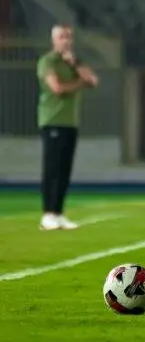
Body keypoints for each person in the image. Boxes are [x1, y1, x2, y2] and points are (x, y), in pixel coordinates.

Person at [36, 25, 99, 231]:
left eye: (69, 37)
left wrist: (76, 64)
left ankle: (58, 213)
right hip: (52, 120)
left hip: (70, 122)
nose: (66, 41)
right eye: (62, 37)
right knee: (52, 169)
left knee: (64, 170)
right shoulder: (48, 62)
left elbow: (93, 81)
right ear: (54, 40)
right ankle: (47, 214)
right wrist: (81, 82)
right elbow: (58, 89)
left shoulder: (73, 63)